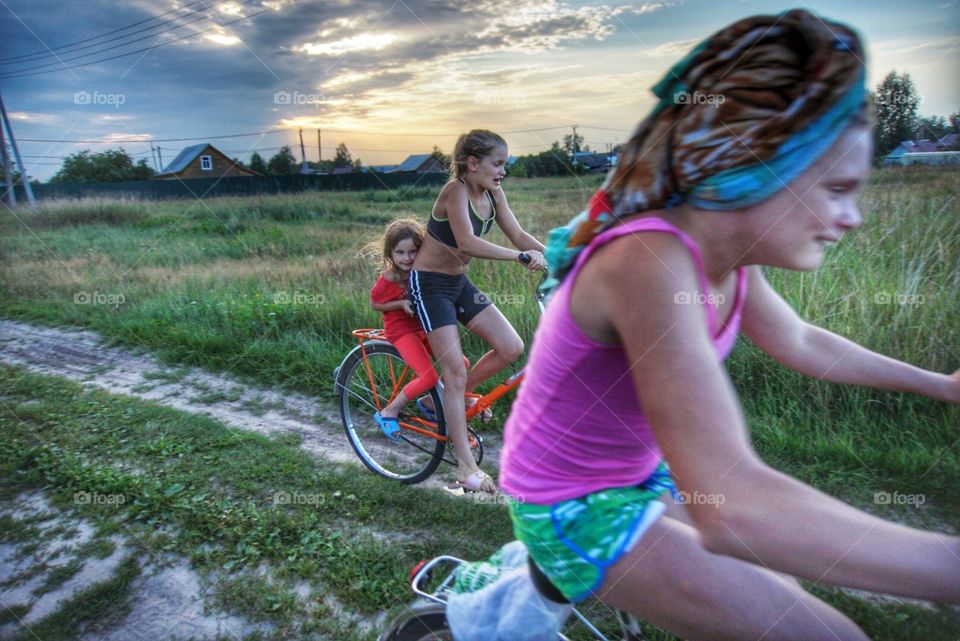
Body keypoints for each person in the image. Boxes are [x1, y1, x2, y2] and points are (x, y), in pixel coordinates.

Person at [499, 10, 960, 640]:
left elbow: (802, 341)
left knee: (781, 597)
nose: (853, 217)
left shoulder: (725, 260)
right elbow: (735, 506)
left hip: (640, 474)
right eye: (838, 189)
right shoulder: (649, 263)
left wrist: (942, 384)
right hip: (569, 505)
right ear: (751, 168)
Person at [408, 129, 547, 493]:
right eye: (497, 163)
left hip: (458, 284)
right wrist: (518, 259)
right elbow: (468, 241)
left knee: (510, 347)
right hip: (430, 285)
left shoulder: (494, 193)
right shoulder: (455, 191)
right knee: (453, 374)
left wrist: (563, 259)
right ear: (473, 163)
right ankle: (464, 469)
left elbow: (518, 236)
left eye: (505, 164)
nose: (503, 171)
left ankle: (435, 400)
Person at [368, 219, 449, 435]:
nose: (407, 258)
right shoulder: (389, 278)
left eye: (413, 251)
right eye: (400, 253)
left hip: (422, 327)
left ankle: (430, 401)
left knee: (458, 362)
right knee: (429, 377)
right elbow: (375, 304)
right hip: (400, 331)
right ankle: (389, 410)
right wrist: (400, 304)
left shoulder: (421, 271)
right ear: (391, 254)